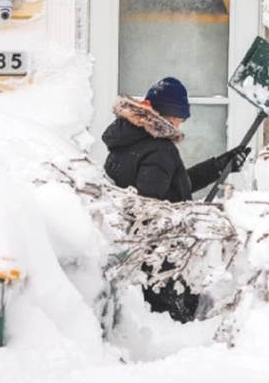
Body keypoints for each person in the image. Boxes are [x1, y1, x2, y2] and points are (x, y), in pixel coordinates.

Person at [101, 76, 249, 322]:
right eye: (181, 116)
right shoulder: (160, 149)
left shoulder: (129, 140)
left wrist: (219, 166)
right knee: (173, 327)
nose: (182, 123)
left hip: (133, 253)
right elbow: (152, 209)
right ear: (168, 114)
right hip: (161, 263)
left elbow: (170, 185)